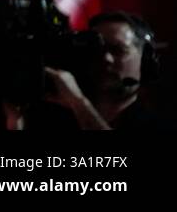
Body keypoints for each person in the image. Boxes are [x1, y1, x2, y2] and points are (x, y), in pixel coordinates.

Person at [43, 11, 171, 130]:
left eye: (117, 50)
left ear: (145, 60)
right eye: (97, 49)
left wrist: (78, 102)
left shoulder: (160, 124)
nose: (106, 58)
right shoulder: (54, 118)